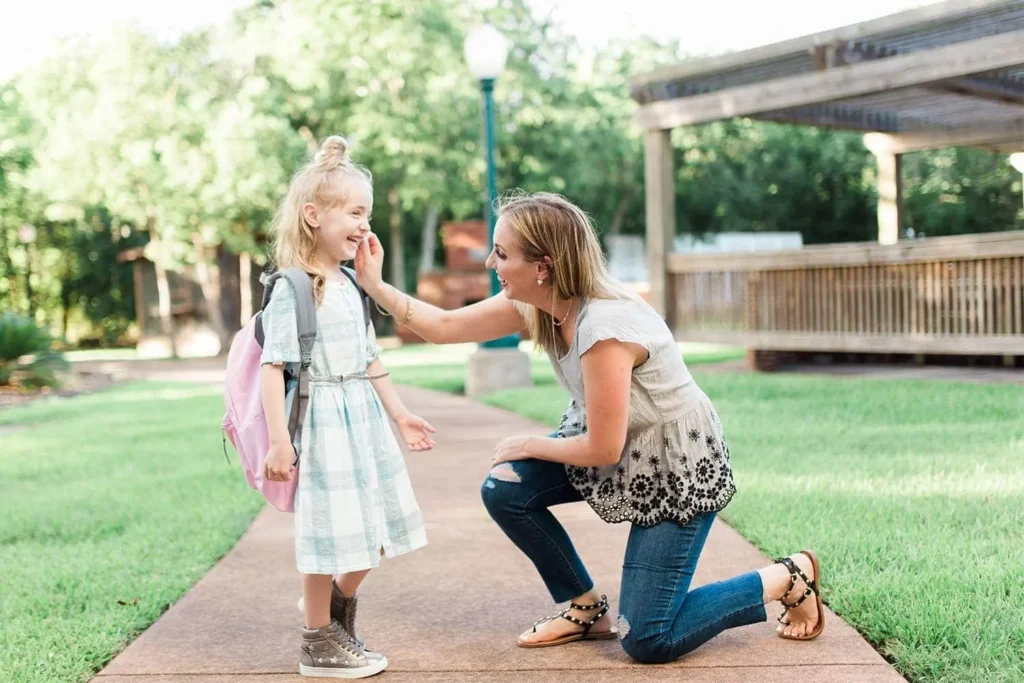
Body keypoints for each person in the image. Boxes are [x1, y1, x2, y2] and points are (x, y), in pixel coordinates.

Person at [354, 191, 825, 663]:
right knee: (506, 486)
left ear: (544, 265)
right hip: (617, 443)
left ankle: (788, 577)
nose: (491, 263)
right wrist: (373, 284)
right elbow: (442, 326)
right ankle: (585, 607)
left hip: (671, 466)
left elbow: (602, 447)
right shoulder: (537, 300)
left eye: (502, 253)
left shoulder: (605, 328)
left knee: (648, 639)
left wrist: (531, 442)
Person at [260, 135, 437, 678]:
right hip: (322, 424)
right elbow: (274, 367)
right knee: (328, 537)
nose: (364, 224)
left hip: (361, 419)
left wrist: (400, 413)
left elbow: (370, 359)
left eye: (368, 213)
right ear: (313, 215)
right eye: (355, 212)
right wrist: (279, 440)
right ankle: (319, 641)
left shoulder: (352, 285)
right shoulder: (294, 287)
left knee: (370, 534)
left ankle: (330, 617)